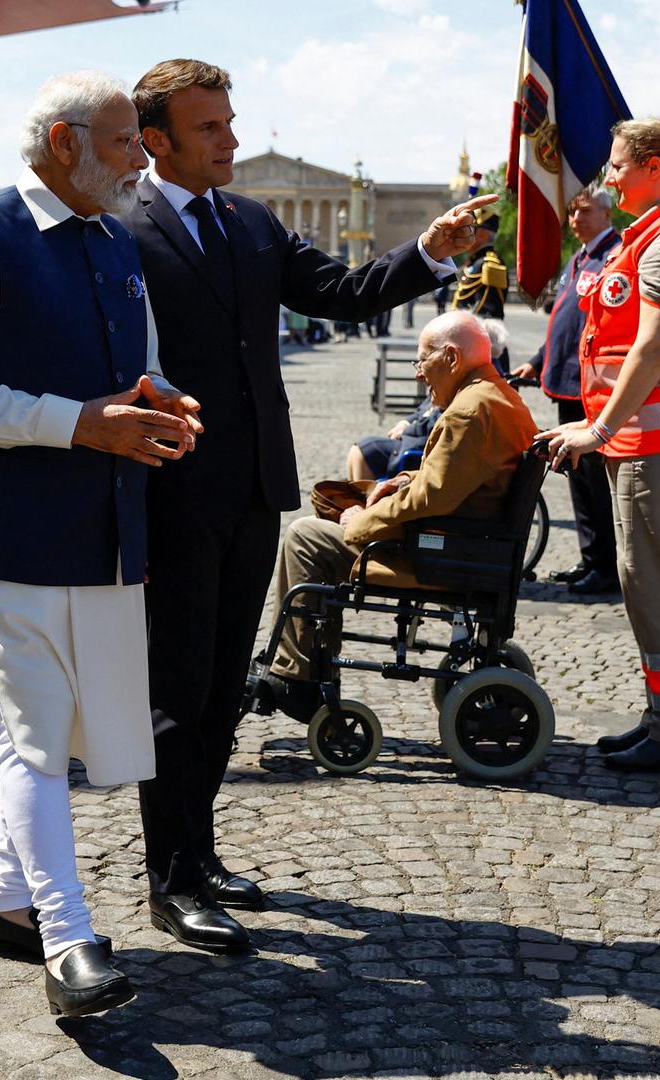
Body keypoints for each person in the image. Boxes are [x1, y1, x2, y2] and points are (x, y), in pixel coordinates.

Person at [124, 57, 490, 954]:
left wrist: (428, 253)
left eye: (231, 122)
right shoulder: (114, 228)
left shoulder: (249, 220)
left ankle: (199, 853)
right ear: (155, 139)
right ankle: (168, 877)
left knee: (218, 689)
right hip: (169, 487)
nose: (232, 141)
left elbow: (338, 291)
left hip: (254, 488)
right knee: (173, 692)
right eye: (209, 127)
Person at [0, 69, 203, 1017]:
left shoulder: (115, 236)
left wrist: (160, 404)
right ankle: (68, 938)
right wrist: (74, 424)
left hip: (106, 528)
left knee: (69, 732)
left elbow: (140, 370)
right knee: (36, 739)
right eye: (125, 141)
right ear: (65, 143)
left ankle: (2, 905)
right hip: (9, 534)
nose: (142, 156)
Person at [540, 118, 660, 766]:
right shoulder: (650, 234)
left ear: (655, 166)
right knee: (643, 580)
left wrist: (597, 427)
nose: (609, 177)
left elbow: (654, 345)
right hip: (646, 438)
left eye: (619, 165)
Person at [259, 312, 536, 694]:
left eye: (423, 360)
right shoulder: (496, 396)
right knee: (331, 505)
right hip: (465, 543)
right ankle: (302, 657)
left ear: (452, 358)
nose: (419, 373)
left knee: (305, 536)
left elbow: (433, 497)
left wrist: (361, 521)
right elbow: (450, 481)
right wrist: (399, 482)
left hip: (442, 553)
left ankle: (297, 675)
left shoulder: (470, 411)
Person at [514, 186, 622, 595]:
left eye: (584, 211)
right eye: (572, 212)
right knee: (577, 477)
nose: (575, 218)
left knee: (592, 480)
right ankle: (590, 558)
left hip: (589, 386)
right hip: (566, 380)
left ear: (607, 215)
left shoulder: (613, 254)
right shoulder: (580, 258)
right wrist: (539, 361)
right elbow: (564, 319)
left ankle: (605, 567)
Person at [346, 396, 440, 481]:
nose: (419, 376)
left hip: (420, 448)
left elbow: (431, 426)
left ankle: (362, 498)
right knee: (355, 450)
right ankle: (353, 497)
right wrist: (405, 423)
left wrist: (407, 429)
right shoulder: (437, 388)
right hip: (409, 441)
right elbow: (420, 411)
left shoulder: (449, 394)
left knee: (364, 450)